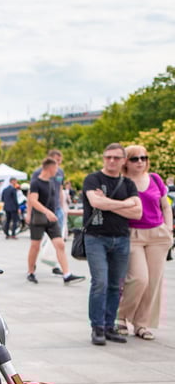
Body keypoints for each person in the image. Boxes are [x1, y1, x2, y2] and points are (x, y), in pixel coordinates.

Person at [82, 143, 142, 346]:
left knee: (116, 285)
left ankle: (109, 326)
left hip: (121, 238)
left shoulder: (128, 184)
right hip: (96, 238)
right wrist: (125, 204)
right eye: (108, 157)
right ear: (103, 158)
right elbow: (96, 203)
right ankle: (97, 327)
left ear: (123, 160)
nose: (112, 161)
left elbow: (138, 212)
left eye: (116, 157)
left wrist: (108, 202)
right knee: (100, 282)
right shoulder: (93, 179)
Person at [115, 145, 172, 341]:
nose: (140, 161)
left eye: (144, 158)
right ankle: (121, 317)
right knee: (139, 279)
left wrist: (169, 230)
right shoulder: (121, 182)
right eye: (135, 158)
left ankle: (141, 324)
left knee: (153, 282)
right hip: (133, 235)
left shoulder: (155, 178)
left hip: (158, 234)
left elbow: (165, 206)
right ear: (126, 162)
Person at [25, 157, 85, 285]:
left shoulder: (52, 182)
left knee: (60, 244)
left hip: (52, 219)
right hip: (39, 218)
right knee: (35, 246)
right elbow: (33, 200)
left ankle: (67, 274)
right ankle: (30, 272)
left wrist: (61, 209)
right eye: (56, 167)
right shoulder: (36, 182)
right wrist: (44, 212)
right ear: (50, 168)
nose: (57, 170)